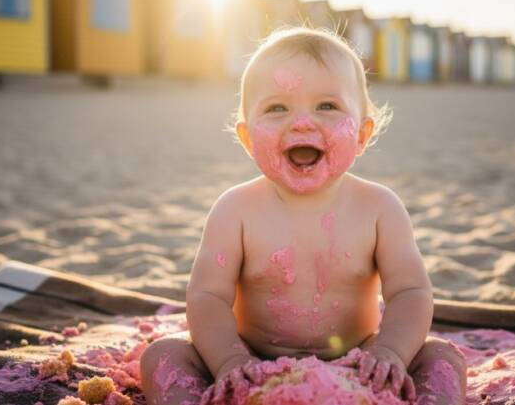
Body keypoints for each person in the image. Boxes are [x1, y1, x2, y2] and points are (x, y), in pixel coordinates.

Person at [140, 27, 467, 404]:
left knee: (441, 357)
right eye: (277, 108)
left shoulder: (380, 208)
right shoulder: (235, 210)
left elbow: (410, 291)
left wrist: (390, 352)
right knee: (164, 355)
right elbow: (207, 296)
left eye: (327, 106)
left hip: (361, 362)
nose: (302, 122)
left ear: (362, 134)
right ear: (247, 140)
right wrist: (229, 360)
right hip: (251, 362)